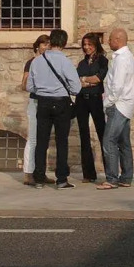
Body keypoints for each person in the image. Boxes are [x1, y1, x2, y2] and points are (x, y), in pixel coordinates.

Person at [26, 28, 82, 189]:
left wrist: (43, 90)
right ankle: (62, 179)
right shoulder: (65, 61)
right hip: (61, 103)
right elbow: (76, 88)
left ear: (50, 41)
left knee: (41, 141)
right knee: (61, 141)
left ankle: (38, 178)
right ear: (64, 43)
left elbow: (30, 86)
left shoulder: (37, 61)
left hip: (43, 103)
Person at [98, 26, 134, 190]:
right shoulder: (127, 57)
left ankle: (112, 178)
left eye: (111, 39)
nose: (108, 41)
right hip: (125, 104)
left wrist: (108, 102)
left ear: (118, 40)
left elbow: (118, 85)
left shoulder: (121, 59)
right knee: (124, 142)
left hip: (118, 105)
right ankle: (126, 177)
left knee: (109, 141)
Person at [75, 32, 109, 182]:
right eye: (84, 44)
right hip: (81, 100)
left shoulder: (103, 61)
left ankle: (110, 172)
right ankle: (88, 174)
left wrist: (85, 80)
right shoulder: (82, 64)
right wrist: (88, 81)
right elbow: (77, 82)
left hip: (96, 99)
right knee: (84, 135)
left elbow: (98, 78)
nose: (86, 47)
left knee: (103, 134)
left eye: (89, 44)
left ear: (96, 45)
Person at [20, 35, 50, 186]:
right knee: (33, 138)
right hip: (35, 101)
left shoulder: (51, 62)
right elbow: (24, 85)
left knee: (44, 140)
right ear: (37, 46)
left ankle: (40, 173)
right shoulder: (31, 63)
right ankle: (28, 173)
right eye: (43, 44)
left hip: (47, 102)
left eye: (48, 44)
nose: (45, 47)